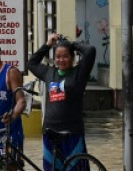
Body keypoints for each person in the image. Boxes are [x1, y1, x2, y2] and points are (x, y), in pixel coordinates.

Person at [27, 33, 97, 171]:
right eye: (58, 57)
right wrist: (48, 45)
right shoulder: (49, 73)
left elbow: (90, 51)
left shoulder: (79, 73)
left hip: (73, 132)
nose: (61, 60)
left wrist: (70, 43)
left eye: (65, 56)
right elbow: (31, 63)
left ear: (72, 57)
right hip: (50, 132)